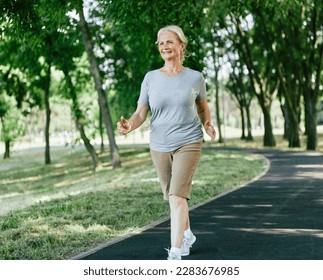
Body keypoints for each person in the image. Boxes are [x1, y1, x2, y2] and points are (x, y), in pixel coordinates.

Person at [117, 25, 216, 260]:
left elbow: (202, 107)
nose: (164, 46)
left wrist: (208, 124)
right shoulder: (151, 78)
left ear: (181, 45)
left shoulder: (195, 77)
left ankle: (174, 255)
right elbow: (141, 112)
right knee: (173, 195)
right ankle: (187, 234)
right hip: (159, 145)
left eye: (169, 42)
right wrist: (129, 125)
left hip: (189, 141)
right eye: (161, 43)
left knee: (177, 197)